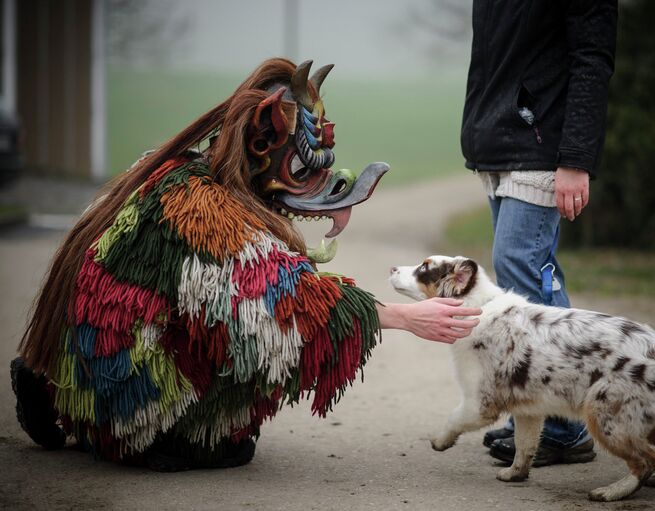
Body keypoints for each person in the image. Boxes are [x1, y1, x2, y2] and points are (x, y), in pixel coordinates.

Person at [11, 58, 480, 471]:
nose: (315, 188)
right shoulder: (201, 208)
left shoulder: (178, 171)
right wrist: (403, 316)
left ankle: (58, 393)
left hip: (99, 375)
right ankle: (126, 423)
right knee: (251, 367)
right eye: (300, 171)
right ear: (261, 148)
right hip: (135, 399)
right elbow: (284, 302)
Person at [460, 0, 618, 466]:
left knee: (523, 268)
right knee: (523, 279)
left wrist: (576, 157)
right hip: (502, 136)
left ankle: (564, 427)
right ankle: (548, 417)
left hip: (542, 141)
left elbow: (592, 57)